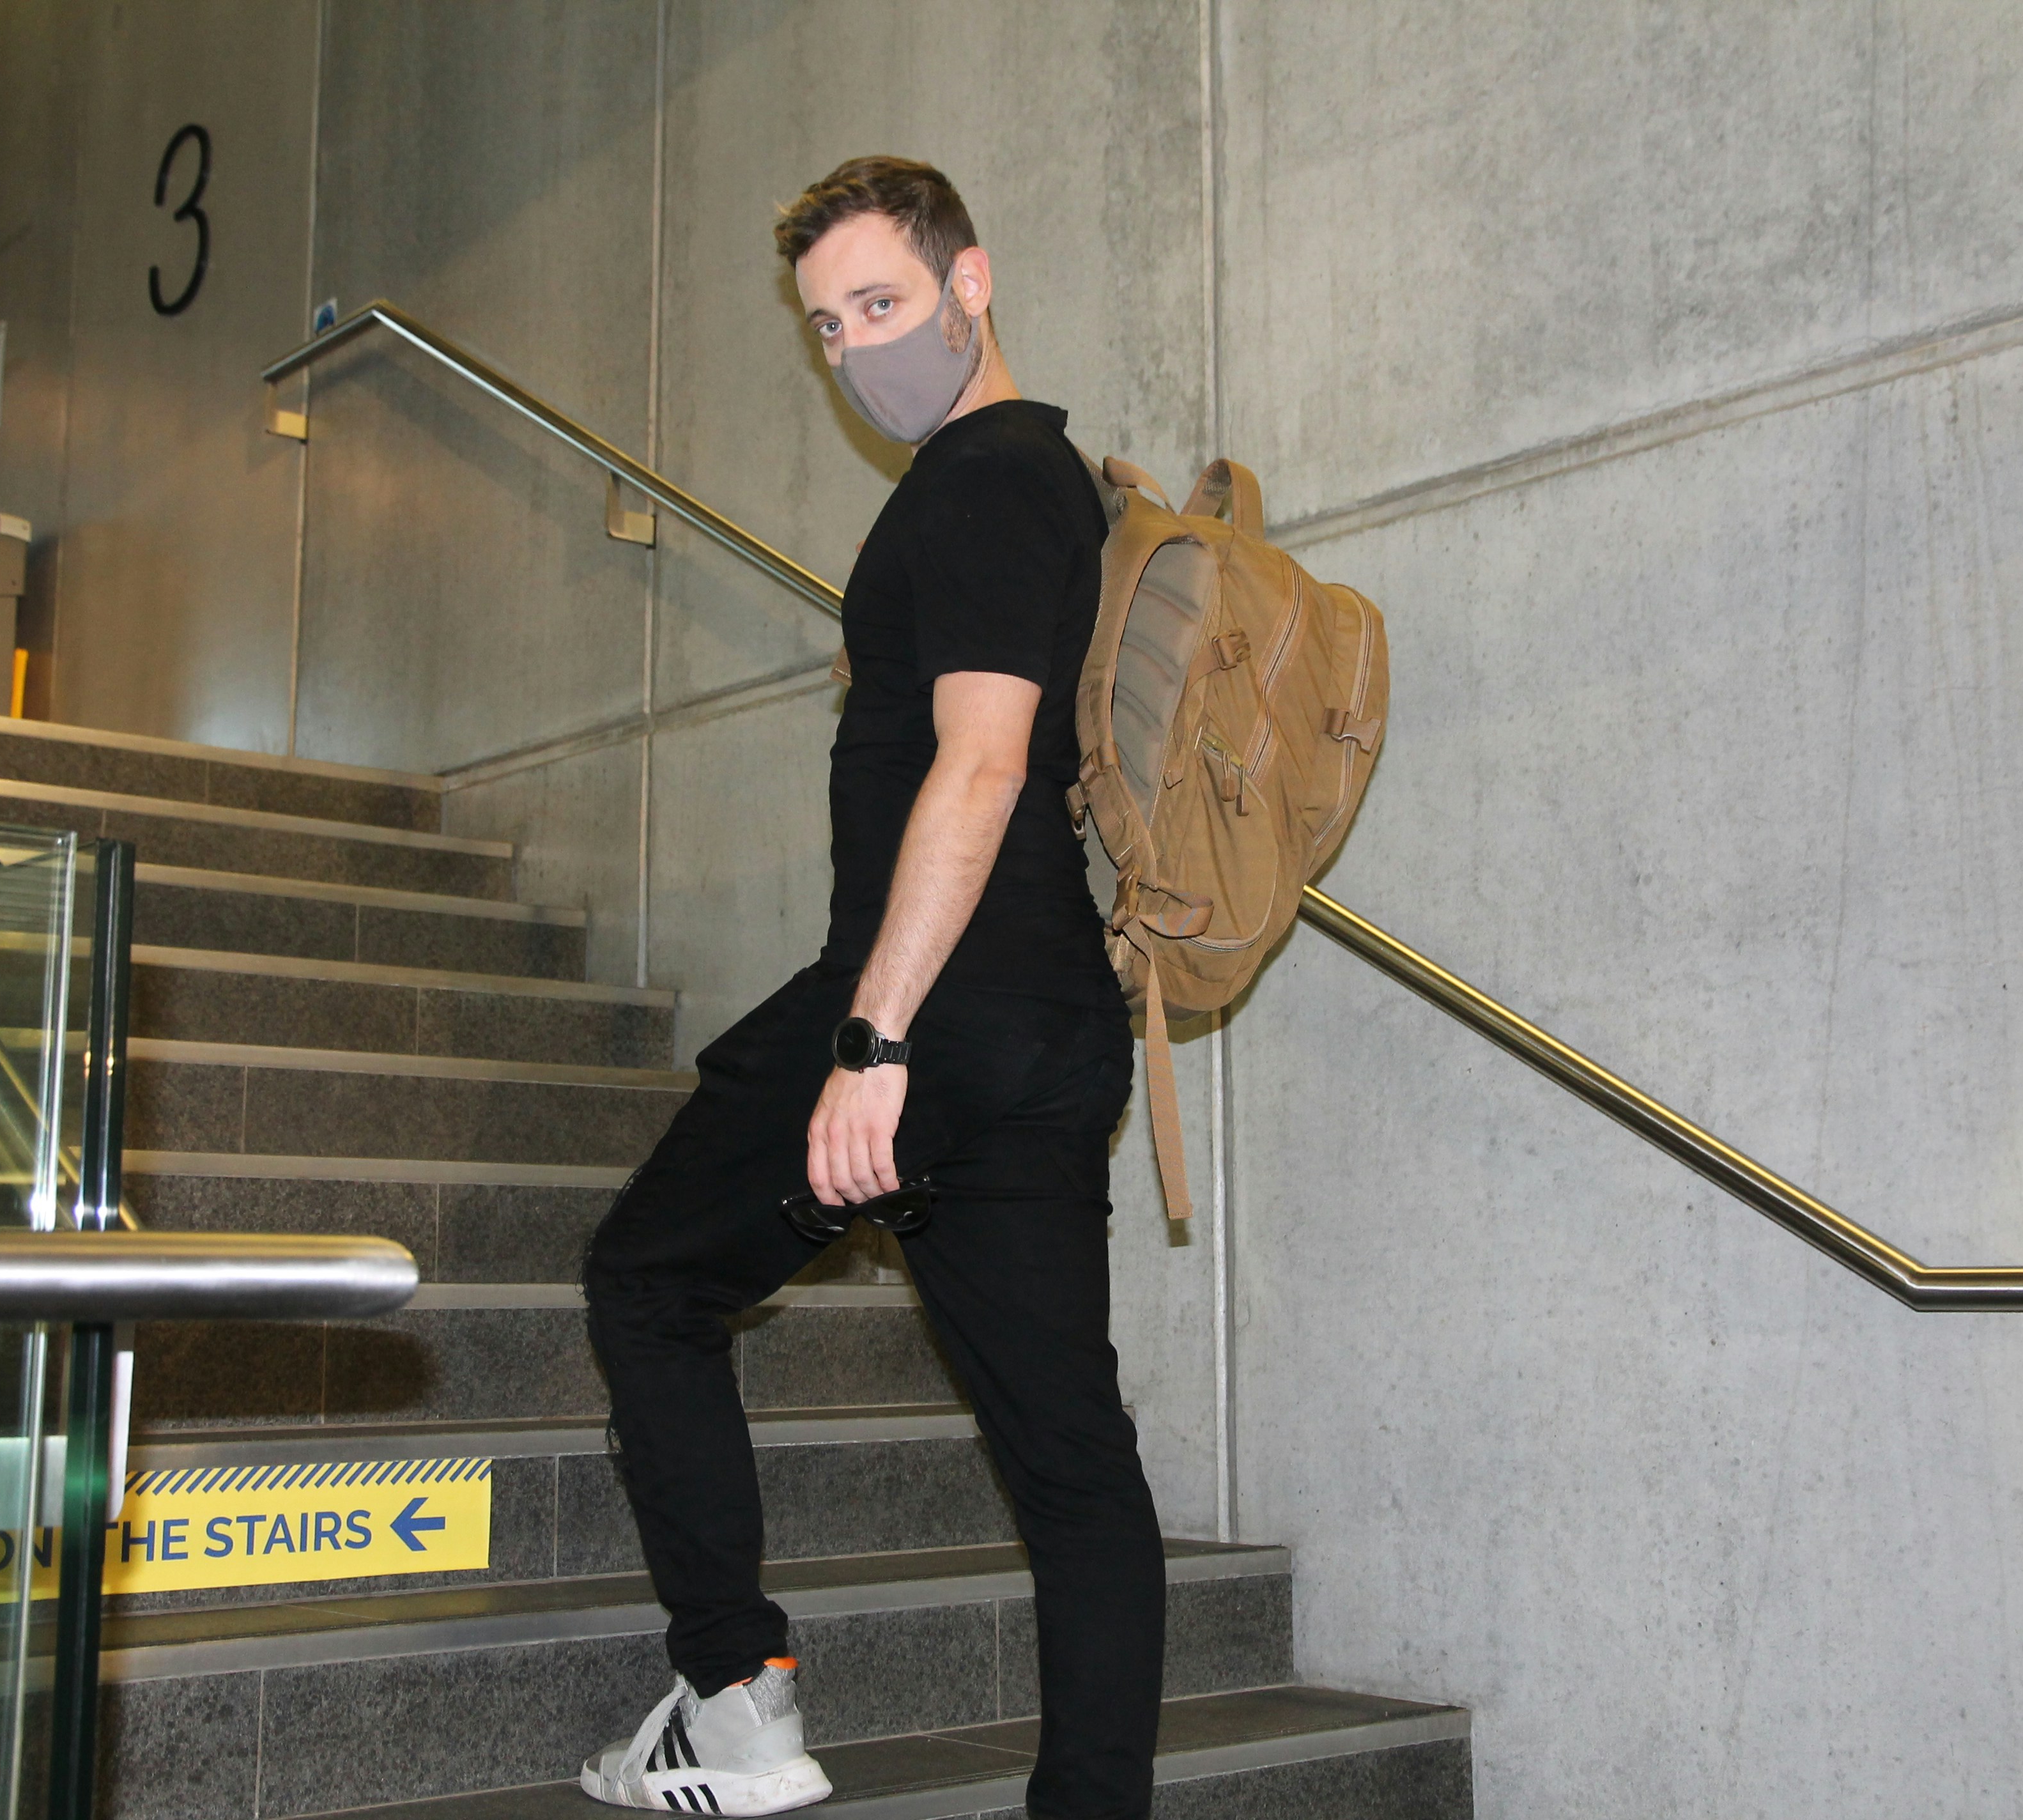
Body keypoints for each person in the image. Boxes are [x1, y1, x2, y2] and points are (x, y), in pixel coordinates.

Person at [576, 156, 1165, 1818]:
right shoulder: (1044, 486)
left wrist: (872, 1040)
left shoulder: (981, 483)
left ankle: (733, 1693)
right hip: (1053, 1025)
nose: (857, 350)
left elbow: (979, 773)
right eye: (829, 329)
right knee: (1071, 1459)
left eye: (884, 306)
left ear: (973, 281)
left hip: (935, 1007)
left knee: (645, 1281)